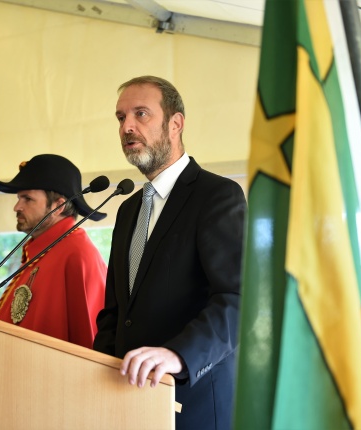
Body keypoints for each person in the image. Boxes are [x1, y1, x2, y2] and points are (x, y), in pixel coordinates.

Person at [93, 76, 246, 429]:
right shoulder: (128, 209)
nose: (127, 126)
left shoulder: (217, 196)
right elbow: (115, 315)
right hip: (126, 406)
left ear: (175, 124)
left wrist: (178, 355)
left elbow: (238, 299)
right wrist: (96, 369)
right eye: (121, 118)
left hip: (193, 407)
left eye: (140, 114)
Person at [0, 154, 108, 349]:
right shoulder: (39, 251)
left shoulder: (78, 254)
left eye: (27, 199)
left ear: (58, 206)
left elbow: (91, 342)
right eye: (19, 198)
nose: (17, 207)